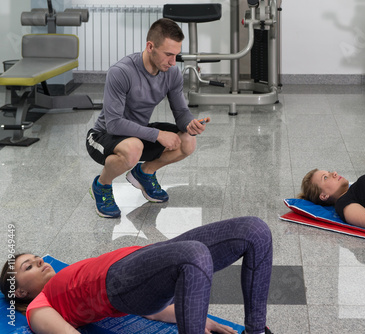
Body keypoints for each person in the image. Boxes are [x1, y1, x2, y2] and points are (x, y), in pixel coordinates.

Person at [0, 216, 274, 334]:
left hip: (148, 258)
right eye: (29, 267)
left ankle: (256, 331)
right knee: (194, 254)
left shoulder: (64, 275)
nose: (39, 262)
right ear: (19, 291)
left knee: (255, 231)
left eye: (36, 258)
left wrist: (203, 319)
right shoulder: (38, 307)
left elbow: (153, 309)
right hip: (118, 282)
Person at [86, 18, 209, 218]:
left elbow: (180, 112)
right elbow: (114, 123)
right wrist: (158, 134)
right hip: (103, 135)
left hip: (136, 132)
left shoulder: (172, 73)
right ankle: (102, 185)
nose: (172, 61)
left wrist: (190, 123)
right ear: (150, 46)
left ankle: (144, 173)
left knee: (187, 141)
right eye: (168, 54)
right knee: (134, 147)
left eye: (176, 55)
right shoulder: (121, 72)